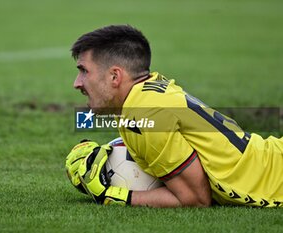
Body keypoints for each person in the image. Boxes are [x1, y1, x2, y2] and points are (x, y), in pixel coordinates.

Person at [65, 25, 283, 208]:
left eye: (84, 71)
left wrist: (110, 195)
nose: (77, 83)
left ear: (115, 76)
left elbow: (195, 199)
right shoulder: (147, 93)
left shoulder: (144, 114)